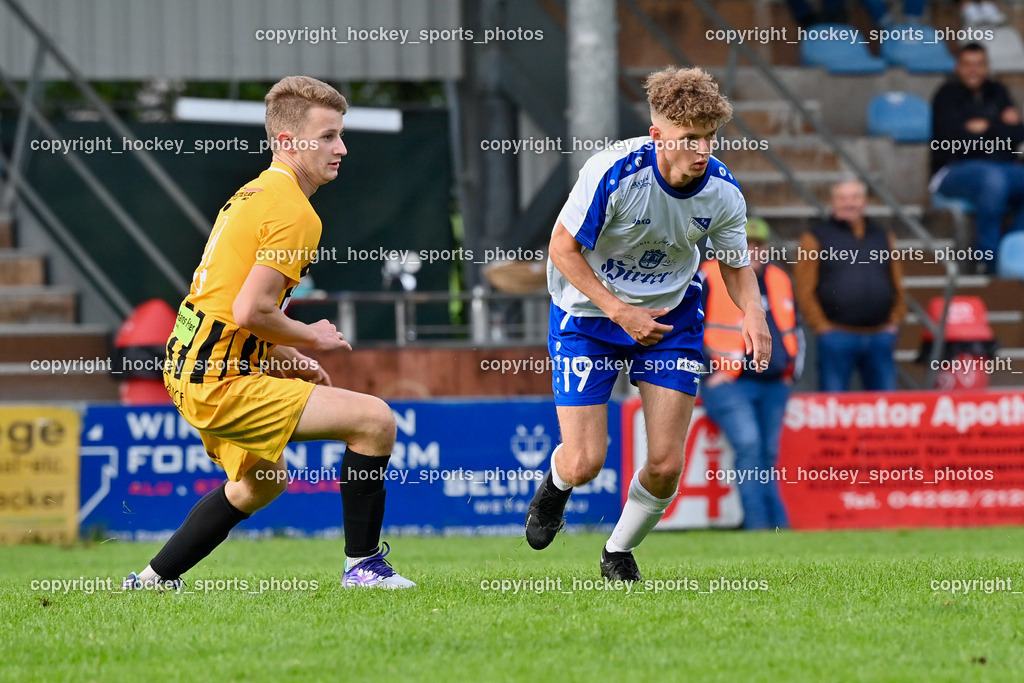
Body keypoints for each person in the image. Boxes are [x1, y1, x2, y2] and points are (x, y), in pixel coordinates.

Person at [123, 76, 414, 590]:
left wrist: (284, 355)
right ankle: (363, 567)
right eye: (326, 137)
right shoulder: (293, 211)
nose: (340, 148)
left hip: (189, 364)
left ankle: (151, 580)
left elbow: (225, 307)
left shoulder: (254, 192)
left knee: (260, 482)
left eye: (340, 135)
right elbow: (250, 309)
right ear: (287, 142)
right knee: (375, 421)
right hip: (217, 376)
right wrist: (310, 336)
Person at [526, 66, 771, 581]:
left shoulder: (723, 191)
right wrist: (620, 311)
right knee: (585, 461)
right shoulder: (612, 171)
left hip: (671, 319)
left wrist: (754, 311)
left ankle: (617, 552)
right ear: (658, 135)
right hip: (589, 315)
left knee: (665, 465)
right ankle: (555, 487)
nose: (701, 150)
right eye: (688, 139)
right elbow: (562, 249)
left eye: (708, 138)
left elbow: (734, 263)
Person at [699, 218, 802, 530]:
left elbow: (794, 328)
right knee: (749, 445)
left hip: (773, 382)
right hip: (730, 381)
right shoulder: (708, 274)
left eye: (758, 245)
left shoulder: (779, 278)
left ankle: (777, 529)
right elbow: (688, 327)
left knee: (767, 454)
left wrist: (791, 372)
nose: (752, 251)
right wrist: (709, 371)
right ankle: (759, 526)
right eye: (745, 245)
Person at [793, 179, 906, 392]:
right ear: (832, 202)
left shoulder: (882, 236)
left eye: (855, 197)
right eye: (843, 198)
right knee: (834, 408)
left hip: (881, 335)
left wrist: (895, 319)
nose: (849, 204)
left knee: (886, 409)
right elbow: (804, 288)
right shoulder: (815, 238)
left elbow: (897, 281)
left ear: (864, 201)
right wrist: (821, 327)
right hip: (836, 336)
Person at [930, 42, 1024, 272]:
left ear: (987, 67)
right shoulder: (946, 95)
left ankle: (1009, 250)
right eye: (967, 65)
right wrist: (1000, 126)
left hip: (1000, 165)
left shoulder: (998, 91)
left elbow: (1018, 133)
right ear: (957, 67)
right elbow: (956, 143)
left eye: (979, 64)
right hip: (953, 171)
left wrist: (985, 127)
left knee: (999, 177)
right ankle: (987, 262)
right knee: (992, 180)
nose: (974, 70)